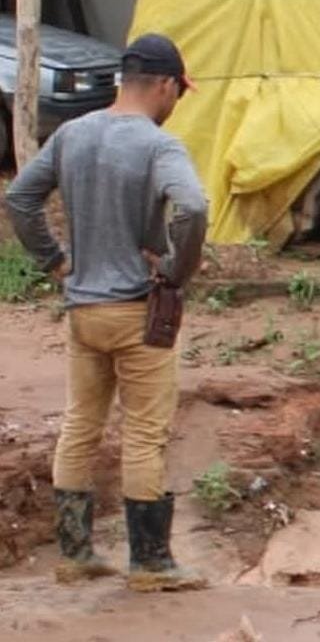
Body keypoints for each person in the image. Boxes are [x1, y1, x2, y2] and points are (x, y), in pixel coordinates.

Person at [5, 34, 209, 592]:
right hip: (137, 312)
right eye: (179, 92)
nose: (176, 103)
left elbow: (21, 197)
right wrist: (175, 269)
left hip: (83, 310)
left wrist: (55, 261)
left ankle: (75, 553)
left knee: (81, 425)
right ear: (166, 85)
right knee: (144, 433)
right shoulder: (158, 145)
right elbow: (192, 205)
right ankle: (150, 563)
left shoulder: (73, 133)